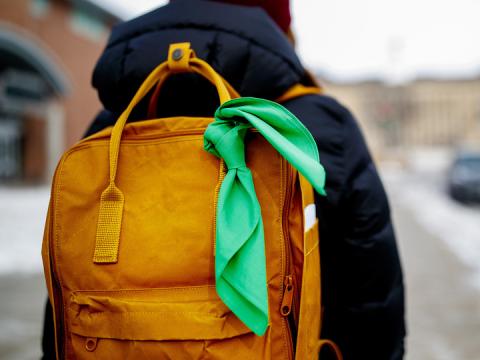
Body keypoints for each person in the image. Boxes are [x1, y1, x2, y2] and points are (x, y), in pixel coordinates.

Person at [42, 0, 406, 358]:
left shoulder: (109, 127)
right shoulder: (311, 123)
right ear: (280, 27)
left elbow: (69, 287)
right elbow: (371, 289)